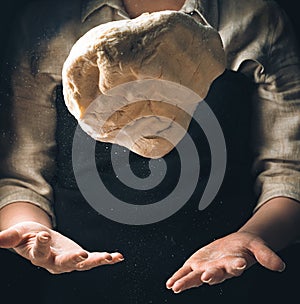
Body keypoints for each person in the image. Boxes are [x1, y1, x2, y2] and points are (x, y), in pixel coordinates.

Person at [0, 0, 299, 303]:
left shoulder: (254, 18)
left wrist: (255, 237)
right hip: (79, 281)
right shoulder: (49, 20)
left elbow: (289, 170)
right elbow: (20, 175)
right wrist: (33, 232)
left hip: (224, 282)